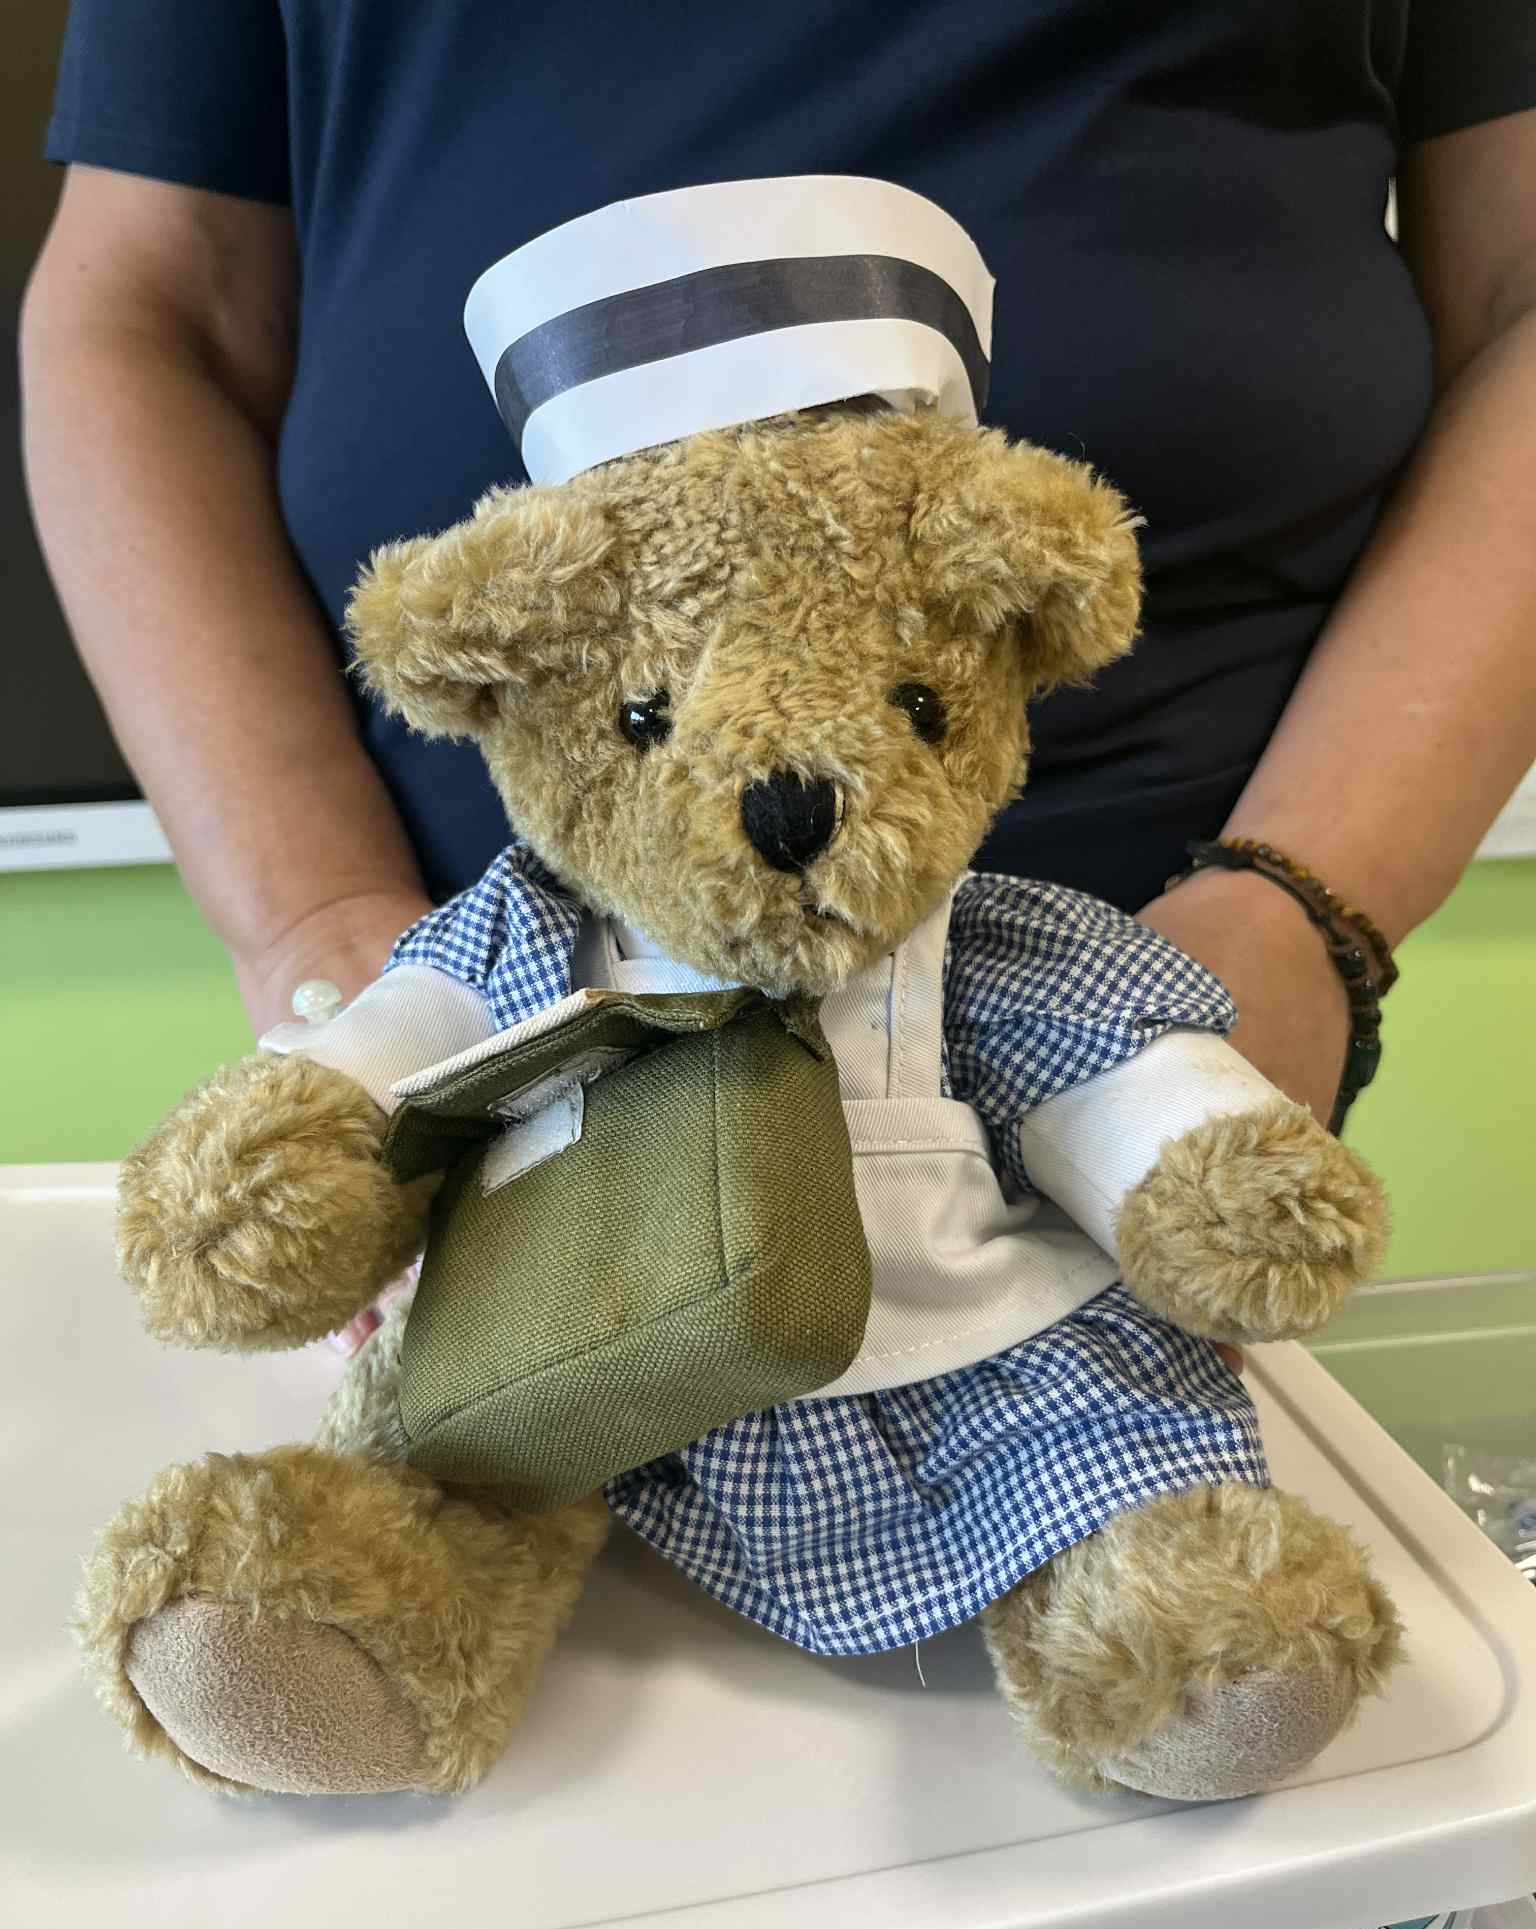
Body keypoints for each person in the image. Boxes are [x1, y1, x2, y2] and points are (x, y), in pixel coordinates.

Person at [22, 1, 1536, 1131]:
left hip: (1163, 1003)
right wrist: (311, 931)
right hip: (490, 1026)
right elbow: (152, 316)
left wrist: (1300, 921)